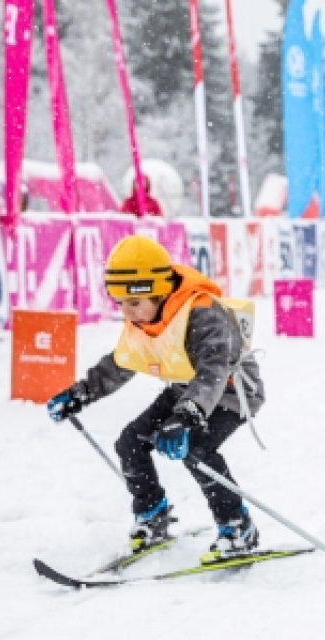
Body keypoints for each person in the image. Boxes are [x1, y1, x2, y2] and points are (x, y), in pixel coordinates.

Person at [45, 235, 265, 562]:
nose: (128, 313)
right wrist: (81, 394)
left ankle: (237, 526)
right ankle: (153, 514)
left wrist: (187, 416)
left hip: (231, 392)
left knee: (197, 451)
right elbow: (122, 361)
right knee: (130, 442)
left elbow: (213, 369)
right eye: (119, 304)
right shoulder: (144, 317)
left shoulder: (201, 311)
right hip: (183, 391)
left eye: (134, 303)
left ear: (161, 291)